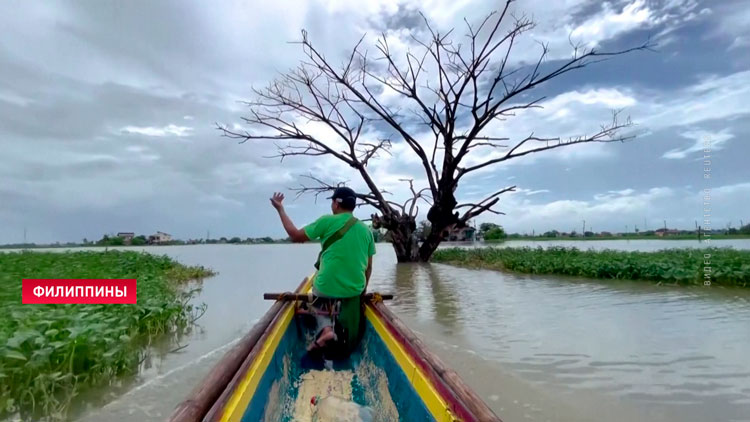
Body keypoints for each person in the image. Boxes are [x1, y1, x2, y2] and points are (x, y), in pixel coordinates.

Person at [270, 187, 375, 355]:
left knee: (314, 297)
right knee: (342, 294)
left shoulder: (326, 221)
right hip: (354, 291)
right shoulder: (366, 231)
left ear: (336, 203)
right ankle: (338, 326)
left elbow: (295, 236)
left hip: (326, 288)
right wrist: (361, 292)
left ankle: (326, 328)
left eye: (332, 201)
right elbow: (368, 268)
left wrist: (280, 209)